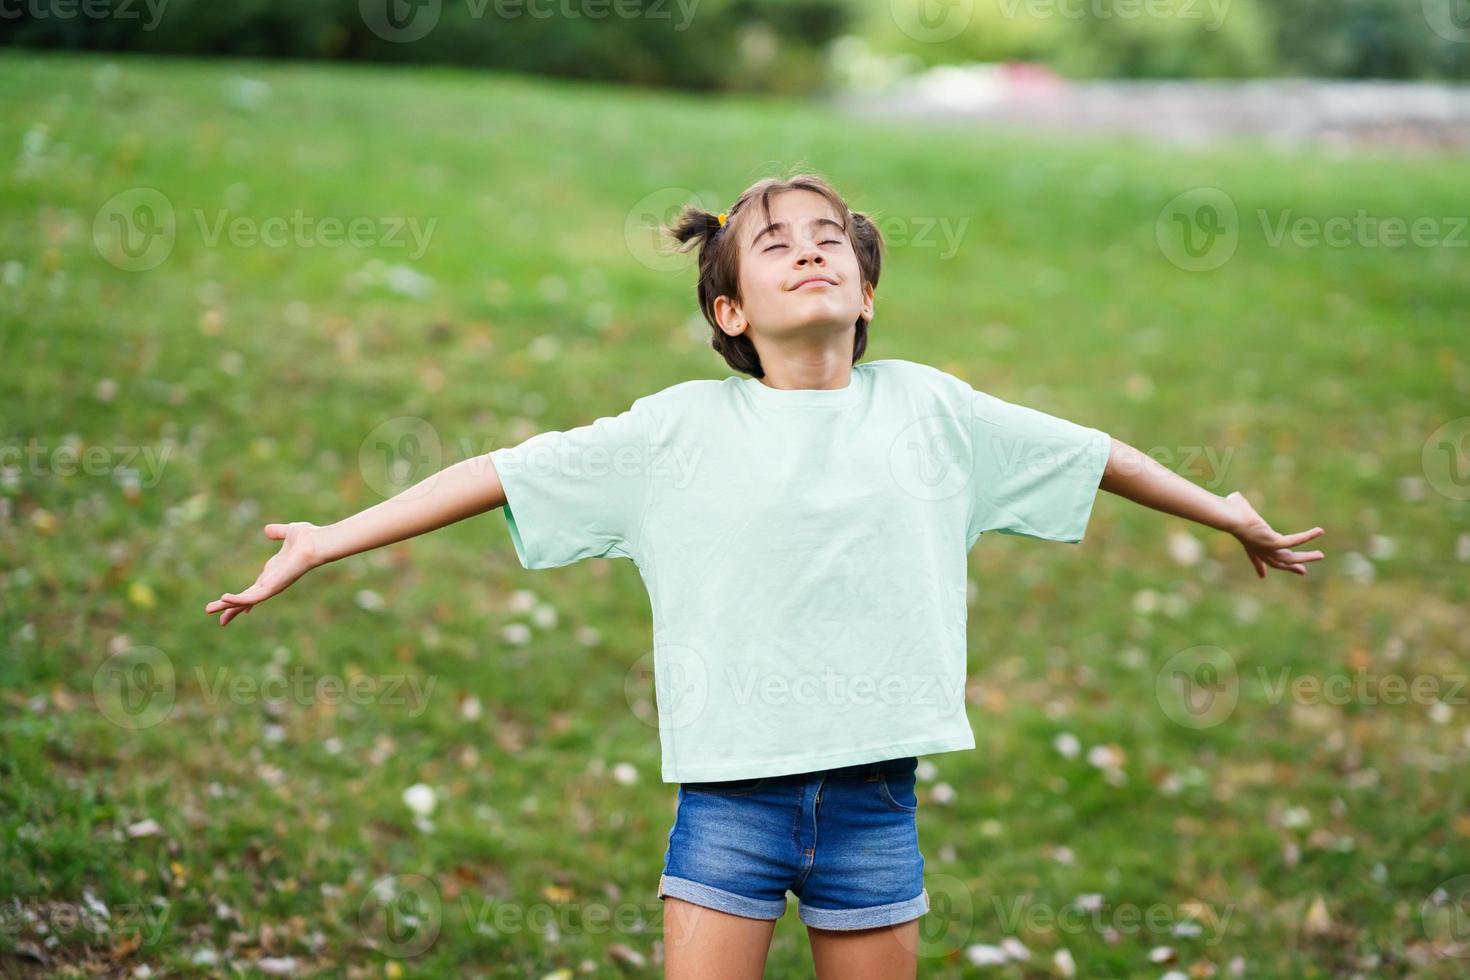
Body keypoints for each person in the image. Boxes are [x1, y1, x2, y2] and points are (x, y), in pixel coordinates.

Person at [204, 171, 1326, 980]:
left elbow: (1091, 453)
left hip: (876, 799)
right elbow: (496, 472)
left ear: (868, 292)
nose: (810, 249)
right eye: (776, 241)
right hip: (729, 798)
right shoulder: (676, 431)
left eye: (830, 237)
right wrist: (327, 536)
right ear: (729, 310)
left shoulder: (933, 409)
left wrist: (1220, 507)